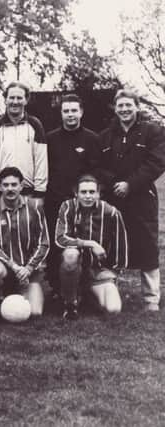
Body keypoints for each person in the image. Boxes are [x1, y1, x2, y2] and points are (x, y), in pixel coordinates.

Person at [95, 89, 165, 311]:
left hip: (143, 197)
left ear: (137, 106)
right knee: (111, 244)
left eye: (129, 105)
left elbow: (155, 163)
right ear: (115, 109)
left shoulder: (153, 131)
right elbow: (98, 166)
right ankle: (109, 291)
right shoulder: (105, 136)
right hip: (114, 197)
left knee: (147, 246)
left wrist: (131, 184)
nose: (124, 110)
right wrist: (115, 183)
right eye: (120, 106)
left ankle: (151, 299)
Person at [45, 94, 100, 298]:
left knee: (82, 241)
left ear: (81, 112)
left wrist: (84, 196)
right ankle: (56, 287)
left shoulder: (92, 139)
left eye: (73, 110)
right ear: (61, 113)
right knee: (55, 242)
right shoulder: (50, 138)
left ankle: (84, 283)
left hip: (82, 202)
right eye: (66, 111)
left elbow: (95, 171)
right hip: (54, 201)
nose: (70, 114)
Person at [55, 175, 127, 319]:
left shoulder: (111, 212)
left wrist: (114, 272)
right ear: (76, 193)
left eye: (92, 192)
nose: (88, 196)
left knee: (113, 309)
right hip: (74, 267)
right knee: (70, 255)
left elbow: (121, 244)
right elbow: (60, 239)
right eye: (83, 192)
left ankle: (88, 294)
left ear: (99, 193)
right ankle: (71, 304)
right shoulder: (67, 207)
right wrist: (90, 244)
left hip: (98, 270)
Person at [0, 167, 49, 316]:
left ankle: (17, 291)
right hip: (5, 268)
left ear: (21, 185)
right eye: (5, 185)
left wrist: (28, 268)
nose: (10, 189)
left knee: (35, 312)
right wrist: (13, 266)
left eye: (14, 184)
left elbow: (43, 243)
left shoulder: (35, 207)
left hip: (28, 271)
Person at [0, 82, 47, 203]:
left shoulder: (35, 125)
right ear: (5, 99)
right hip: (3, 194)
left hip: (29, 194)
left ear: (26, 100)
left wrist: (39, 193)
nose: (15, 101)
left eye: (19, 98)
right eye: (11, 97)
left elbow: (41, 159)